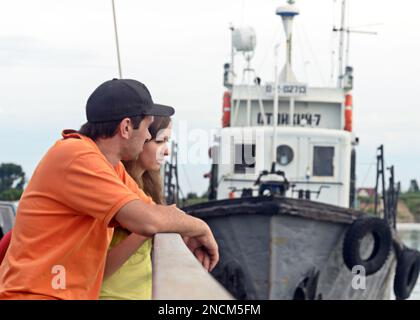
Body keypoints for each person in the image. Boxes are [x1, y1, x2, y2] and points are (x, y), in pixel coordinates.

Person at [0, 79, 218, 299]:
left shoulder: (110, 167)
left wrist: (183, 228)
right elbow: (147, 220)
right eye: (146, 127)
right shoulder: (76, 155)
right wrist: (199, 227)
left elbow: (151, 210)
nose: (148, 136)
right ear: (125, 128)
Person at [100, 116, 171, 300]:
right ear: (140, 138)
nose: (167, 151)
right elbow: (99, 270)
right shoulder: (112, 191)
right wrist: (149, 226)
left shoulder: (144, 189)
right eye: (160, 141)